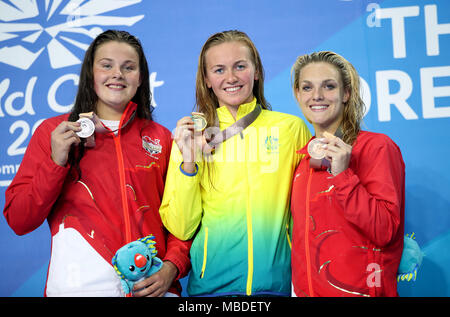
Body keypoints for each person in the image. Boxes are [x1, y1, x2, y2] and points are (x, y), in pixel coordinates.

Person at [3, 30, 191, 297]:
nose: (117, 74)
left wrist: (173, 266)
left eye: (129, 67)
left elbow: (183, 216)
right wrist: (56, 162)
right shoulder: (53, 132)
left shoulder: (161, 138)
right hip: (78, 289)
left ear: (140, 78)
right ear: (90, 74)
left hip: (152, 288)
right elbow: (19, 220)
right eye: (106, 65)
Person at [159, 30, 311, 296]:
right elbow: (181, 226)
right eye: (218, 70)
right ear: (206, 79)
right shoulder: (192, 136)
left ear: (256, 71)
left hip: (278, 287)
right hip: (210, 289)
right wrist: (189, 162)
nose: (230, 78)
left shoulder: (291, 129)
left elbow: (310, 211)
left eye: (240, 66)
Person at [290, 51, 405, 297]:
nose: (317, 96)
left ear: (347, 93)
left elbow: (385, 232)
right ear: (297, 95)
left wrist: (343, 175)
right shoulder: (302, 162)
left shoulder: (376, 148)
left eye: (328, 86)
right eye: (307, 87)